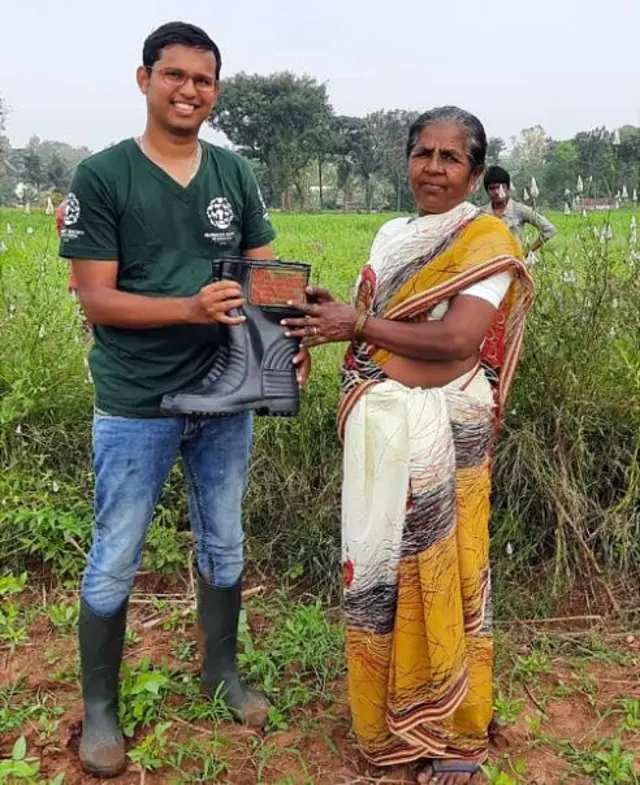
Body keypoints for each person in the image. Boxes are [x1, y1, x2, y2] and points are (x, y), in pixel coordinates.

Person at [58, 21, 309, 778]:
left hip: (226, 395)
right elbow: (97, 300)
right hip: (137, 398)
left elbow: (264, 274)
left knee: (225, 540)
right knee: (116, 554)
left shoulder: (233, 175)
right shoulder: (103, 178)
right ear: (144, 80)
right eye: (175, 76)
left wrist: (295, 313)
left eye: (203, 80)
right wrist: (188, 308)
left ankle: (221, 671)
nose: (189, 90)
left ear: (216, 91)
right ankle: (100, 706)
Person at [282, 107, 534, 784]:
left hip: (449, 428)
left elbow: (456, 342)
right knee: (383, 573)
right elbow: (377, 327)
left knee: (450, 569)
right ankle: (388, 721)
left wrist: (356, 323)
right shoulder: (392, 232)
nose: (434, 166)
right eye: (423, 152)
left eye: (452, 157)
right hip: (384, 422)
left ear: (476, 172)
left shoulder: (485, 240)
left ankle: (454, 736)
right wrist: (331, 317)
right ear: (407, 160)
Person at [482, 165, 556, 258]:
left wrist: (527, 254)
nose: (497, 192)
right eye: (492, 188)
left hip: (513, 264)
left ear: (508, 188)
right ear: (487, 191)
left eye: (500, 187)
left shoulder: (519, 209)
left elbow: (549, 230)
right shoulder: (481, 214)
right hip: (487, 266)